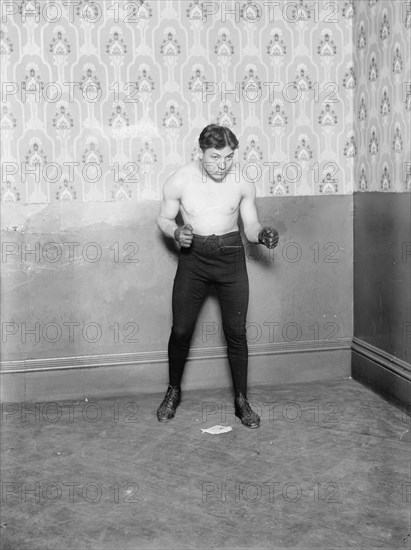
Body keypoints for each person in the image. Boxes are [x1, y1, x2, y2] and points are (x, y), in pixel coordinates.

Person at [156, 124, 279, 428]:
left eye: (227, 158)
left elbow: (249, 226)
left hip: (230, 258)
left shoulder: (242, 183)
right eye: (214, 157)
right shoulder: (181, 179)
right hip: (193, 259)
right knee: (182, 329)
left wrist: (262, 234)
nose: (221, 165)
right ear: (202, 152)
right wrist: (175, 232)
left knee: (236, 332)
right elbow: (164, 218)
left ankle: (241, 401)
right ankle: (173, 390)